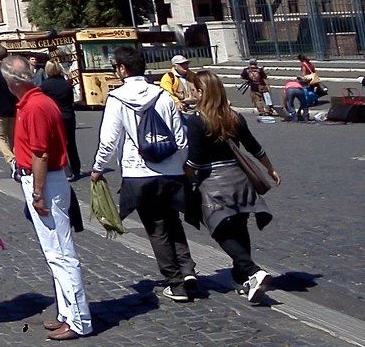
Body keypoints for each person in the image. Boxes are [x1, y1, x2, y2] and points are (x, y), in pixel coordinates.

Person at [92, 46, 198, 302]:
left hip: (139, 173)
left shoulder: (117, 99)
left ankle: (175, 281)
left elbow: (108, 140)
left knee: (156, 227)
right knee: (173, 220)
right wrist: (180, 165)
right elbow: (181, 138)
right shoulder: (163, 95)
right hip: (171, 171)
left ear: (121, 69)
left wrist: (97, 168)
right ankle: (187, 269)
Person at [1, 56, 92, 340]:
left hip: (46, 181)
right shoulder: (36, 102)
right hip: (44, 178)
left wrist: (38, 193)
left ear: (11, 81)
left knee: (61, 254)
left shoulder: (36, 106)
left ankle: (79, 320)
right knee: (54, 252)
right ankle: (67, 312)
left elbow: (41, 153)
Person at [186, 70, 282, 302]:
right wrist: (270, 169)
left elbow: (195, 159)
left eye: (194, 90)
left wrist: (186, 177)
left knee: (219, 229)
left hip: (214, 182)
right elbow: (254, 147)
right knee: (239, 227)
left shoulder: (197, 120)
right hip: (240, 179)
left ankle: (253, 271)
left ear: (200, 92)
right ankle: (242, 278)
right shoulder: (234, 116)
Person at [40, 59, 81, 180]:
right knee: (71, 144)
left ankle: (64, 169)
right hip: (68, 116)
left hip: (54, 117)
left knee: (58, 144)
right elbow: (71, 101)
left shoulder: (45, 85)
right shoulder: (67, 84)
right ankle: (76, 168)